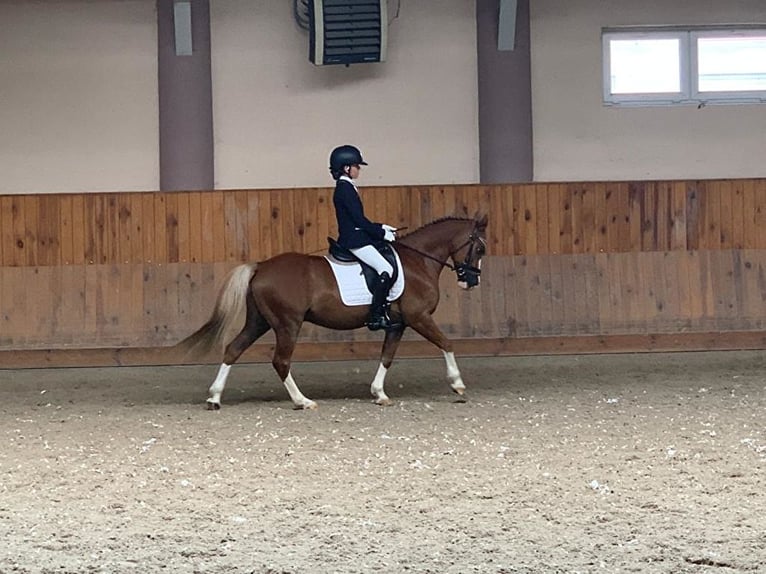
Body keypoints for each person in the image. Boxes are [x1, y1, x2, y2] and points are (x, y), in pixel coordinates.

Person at [329, 144, 397, 331]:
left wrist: (380, 226)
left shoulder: (347, 187)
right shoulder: (344, 189)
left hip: (357, 236)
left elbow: (360, 220)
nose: (359, 169)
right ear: (346, 168)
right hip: (354, 241)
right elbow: (358, 220)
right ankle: (376, 315)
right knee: (385, 268)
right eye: (357, 166)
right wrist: (381, 232)